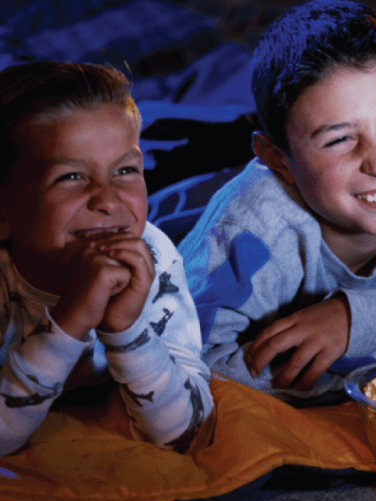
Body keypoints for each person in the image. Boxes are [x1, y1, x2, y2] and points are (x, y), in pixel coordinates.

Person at [178, 0, 376, 404]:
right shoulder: (251, 229)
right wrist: (369, 368)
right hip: (189, 201)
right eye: (339, 138)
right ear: (277, 160)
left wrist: (361, 321)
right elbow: (185, 370)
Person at [0, 61, 215, 457]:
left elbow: (186, 432)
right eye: (71, 177)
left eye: (126, 170)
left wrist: (126, 328)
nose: (107, 199)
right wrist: (71, 322)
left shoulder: (152, 257)